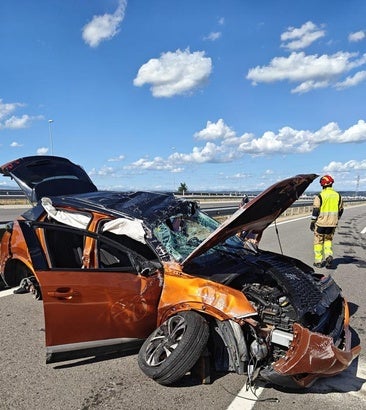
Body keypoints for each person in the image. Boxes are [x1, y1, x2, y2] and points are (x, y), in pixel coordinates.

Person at [310, 175, 343, 269]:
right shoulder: (338, 196)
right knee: (328, 240)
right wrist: (336, 219)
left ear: (322, 185)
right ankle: (328, 255)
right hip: (332, 224)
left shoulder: (320, 196)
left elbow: (316, 210)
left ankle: (318, 261)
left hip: (321, 223)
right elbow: (341, 210)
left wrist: (313, 221)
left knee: (318, 241)